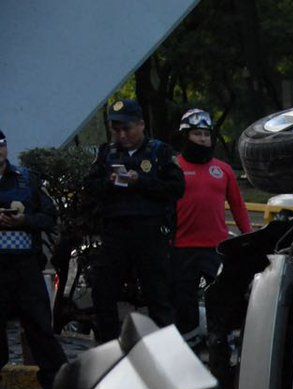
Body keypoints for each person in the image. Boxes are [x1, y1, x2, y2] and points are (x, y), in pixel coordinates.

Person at [84, 99, 185, 342]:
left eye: (126, 129)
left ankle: (166, 351)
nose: (122, 135)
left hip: (149, 232)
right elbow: (89, 187)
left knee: (158, 294)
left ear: (141, 125)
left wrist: (141, 181)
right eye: (116, 130)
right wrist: (108, 182)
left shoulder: (159, 152)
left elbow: (176, 188)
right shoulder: (107, 153)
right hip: (115, 232)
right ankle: (109, 346)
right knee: (103, 290)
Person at [172, 108, 252, 344]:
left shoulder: (224, 170)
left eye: (206, 135)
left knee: (224, 299)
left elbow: (238, 206)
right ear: (186, 136)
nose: (203, 139)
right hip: (181, 247)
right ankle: (188, 348)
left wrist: (249, 237)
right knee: (183, 303)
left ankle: (221, 343)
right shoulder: (173, 168)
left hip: (216, 247)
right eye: (197, 134)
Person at [0, 129, 66, 389]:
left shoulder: (26, 180)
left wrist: (24, 221)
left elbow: (49, 216)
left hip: (25, 267)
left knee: (40, 330)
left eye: (1, 144)